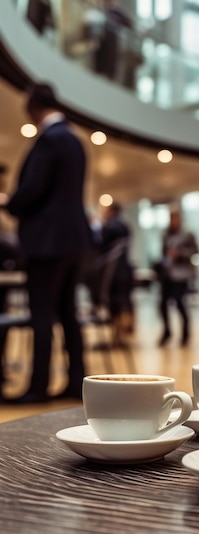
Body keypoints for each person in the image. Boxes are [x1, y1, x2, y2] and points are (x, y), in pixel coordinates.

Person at [1, 83, 94, 403]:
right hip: (73, 241)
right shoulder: (75, 141)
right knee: (68, 313)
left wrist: (9, 204)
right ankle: (76, 381)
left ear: (33, 107)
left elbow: (31, 190)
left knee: (42, 314)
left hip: (47, 242)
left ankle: (38, 387)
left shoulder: (49, 140)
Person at [93, 201, 135, 345]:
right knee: (124, 302)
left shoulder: (109, 227)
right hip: (125, 271)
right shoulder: (126, 227)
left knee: (115, 304)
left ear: (111, 211)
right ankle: (121, 334)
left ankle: (118, 335)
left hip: (112, 274)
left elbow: (99, 246)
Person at [158, 206, 199, 347]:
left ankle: (185, 334)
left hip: (182, 275)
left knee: (180, 304)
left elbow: (195, 252)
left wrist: (180, 254)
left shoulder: (188, 235)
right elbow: (163, 254)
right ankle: (167, 332)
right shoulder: (166, 235)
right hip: (168, 274)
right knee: (162, 304)